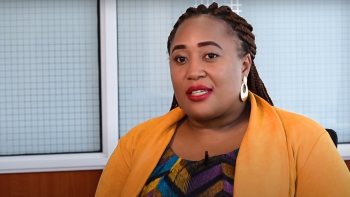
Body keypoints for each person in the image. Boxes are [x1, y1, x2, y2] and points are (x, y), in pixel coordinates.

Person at [95, 3, 350, 197]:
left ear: (244, 65)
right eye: (180, 59)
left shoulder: (306, 140)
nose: (193, 71)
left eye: (210, 55)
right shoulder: (134, 144)